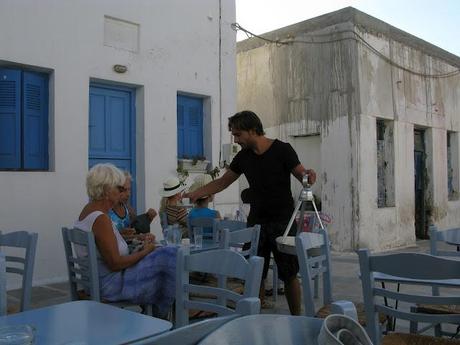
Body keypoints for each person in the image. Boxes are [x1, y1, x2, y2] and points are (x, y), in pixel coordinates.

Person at [186, 110, 316, 315]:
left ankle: (296, 318)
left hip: (283, 221)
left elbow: (302, 174)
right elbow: (222, 182)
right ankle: (255, 318)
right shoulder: (243, 157)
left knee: (289, 273)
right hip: (256, 223)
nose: (235, 140)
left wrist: (308, 175)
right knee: (256, 274)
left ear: (253, 130)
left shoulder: (283, 149)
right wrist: (196, 193)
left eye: (238, 135)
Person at [75, 163, 177, 316]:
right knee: (170, 255)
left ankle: (158, 313)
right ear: (106, 190)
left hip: (98, 281)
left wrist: (142, 246)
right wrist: (146, 251)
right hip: (110, 285)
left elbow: (107, 249)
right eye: (120, 188)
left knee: (161, 253)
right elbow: (115, 263)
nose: (123, 192)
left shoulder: (88, 211)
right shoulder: (100, 218)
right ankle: (163, 314)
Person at [109, 171, 157, 241]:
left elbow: (136, 229)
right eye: (124, 190)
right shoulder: (106, 211)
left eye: (129, 189)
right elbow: (110, 238)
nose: (128, 194)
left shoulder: (128, 210)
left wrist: (148, 218)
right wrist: (139, 237)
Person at [187, 174, 221, 238]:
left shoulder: (191, 214)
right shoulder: (215, 214)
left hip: (196, 246)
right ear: (210, 195)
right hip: (214, 247)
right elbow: (221, 235)